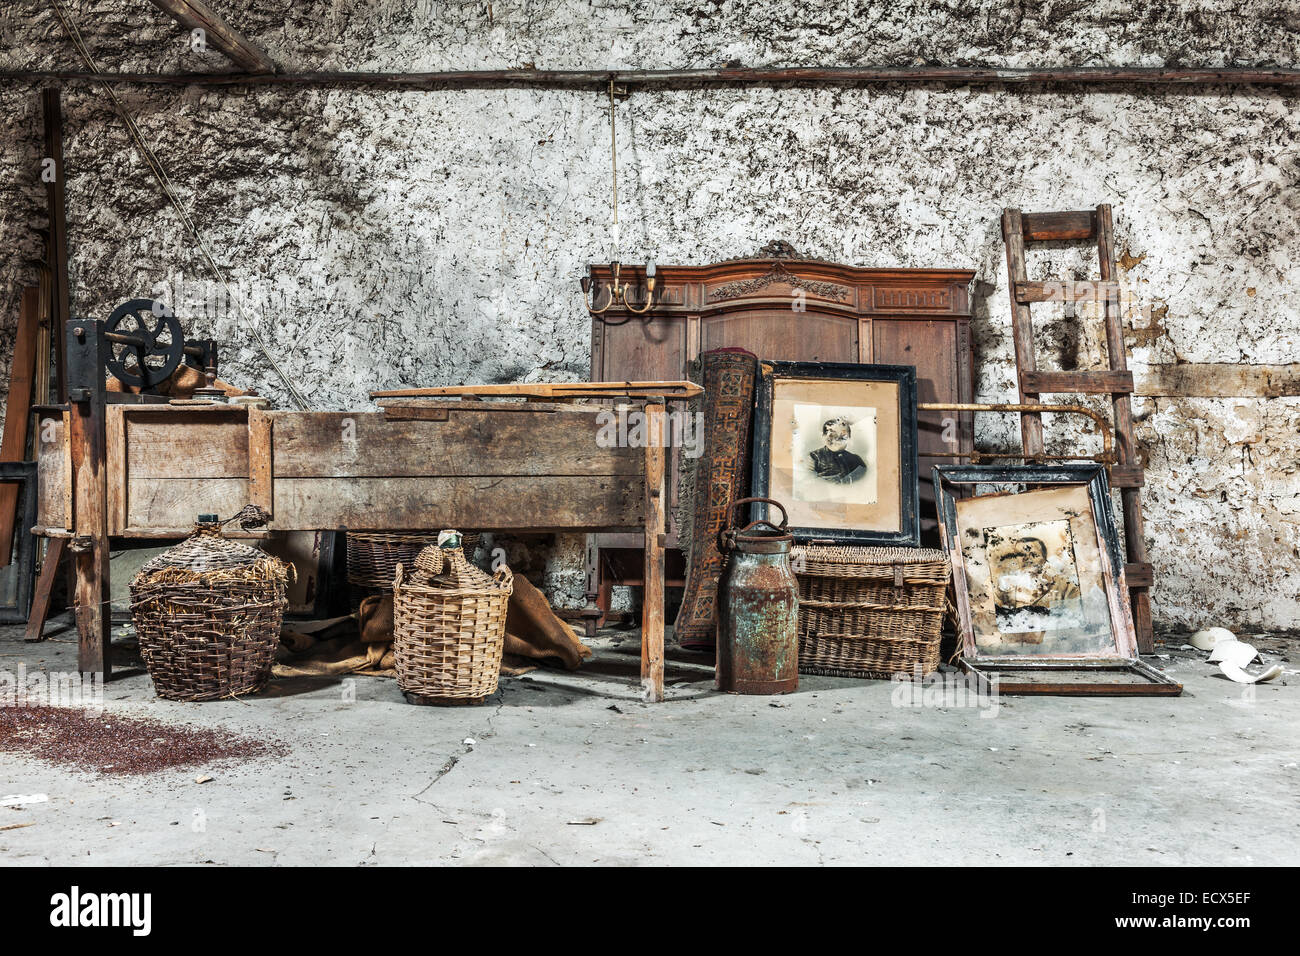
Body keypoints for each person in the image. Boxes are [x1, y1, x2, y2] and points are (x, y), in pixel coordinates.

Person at [809, 417, 867, 484]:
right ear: (824, 436)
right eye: (832, 436)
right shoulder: (814, 457)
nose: (836, 440)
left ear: (849, 438)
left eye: (842, 437)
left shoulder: (856, 460)